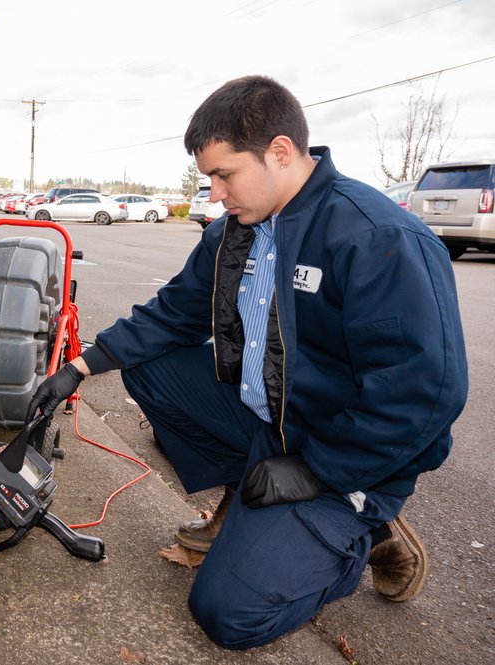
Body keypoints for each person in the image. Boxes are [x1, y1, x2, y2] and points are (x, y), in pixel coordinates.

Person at [27, 75, 468, 649]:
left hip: (342, 453)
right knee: (150, 368)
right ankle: (248, 501)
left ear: (280, 153)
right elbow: (172, 314)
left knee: (226, 614)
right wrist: (78, 368)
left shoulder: (376, 238)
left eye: (224, 174)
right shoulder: (236, 232)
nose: (214, 192)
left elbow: (424, 392)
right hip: (269, 425)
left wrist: (315, 471)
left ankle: (368, 532)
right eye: (209, 177)